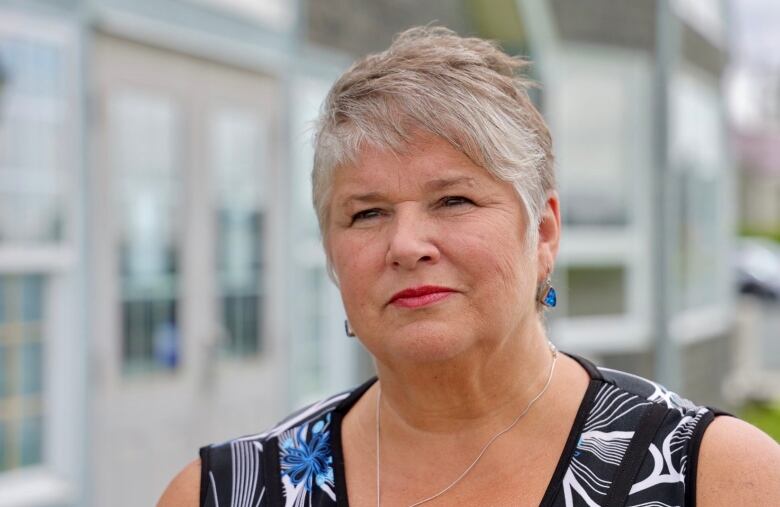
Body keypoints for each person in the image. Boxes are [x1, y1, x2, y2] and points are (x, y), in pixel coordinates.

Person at [159, 27, 780, 507]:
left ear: (542, 232)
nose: (406, 244)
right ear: (330, 255)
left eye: (452, 200)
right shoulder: (229, 492)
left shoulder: (715, 478)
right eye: (367, 213)